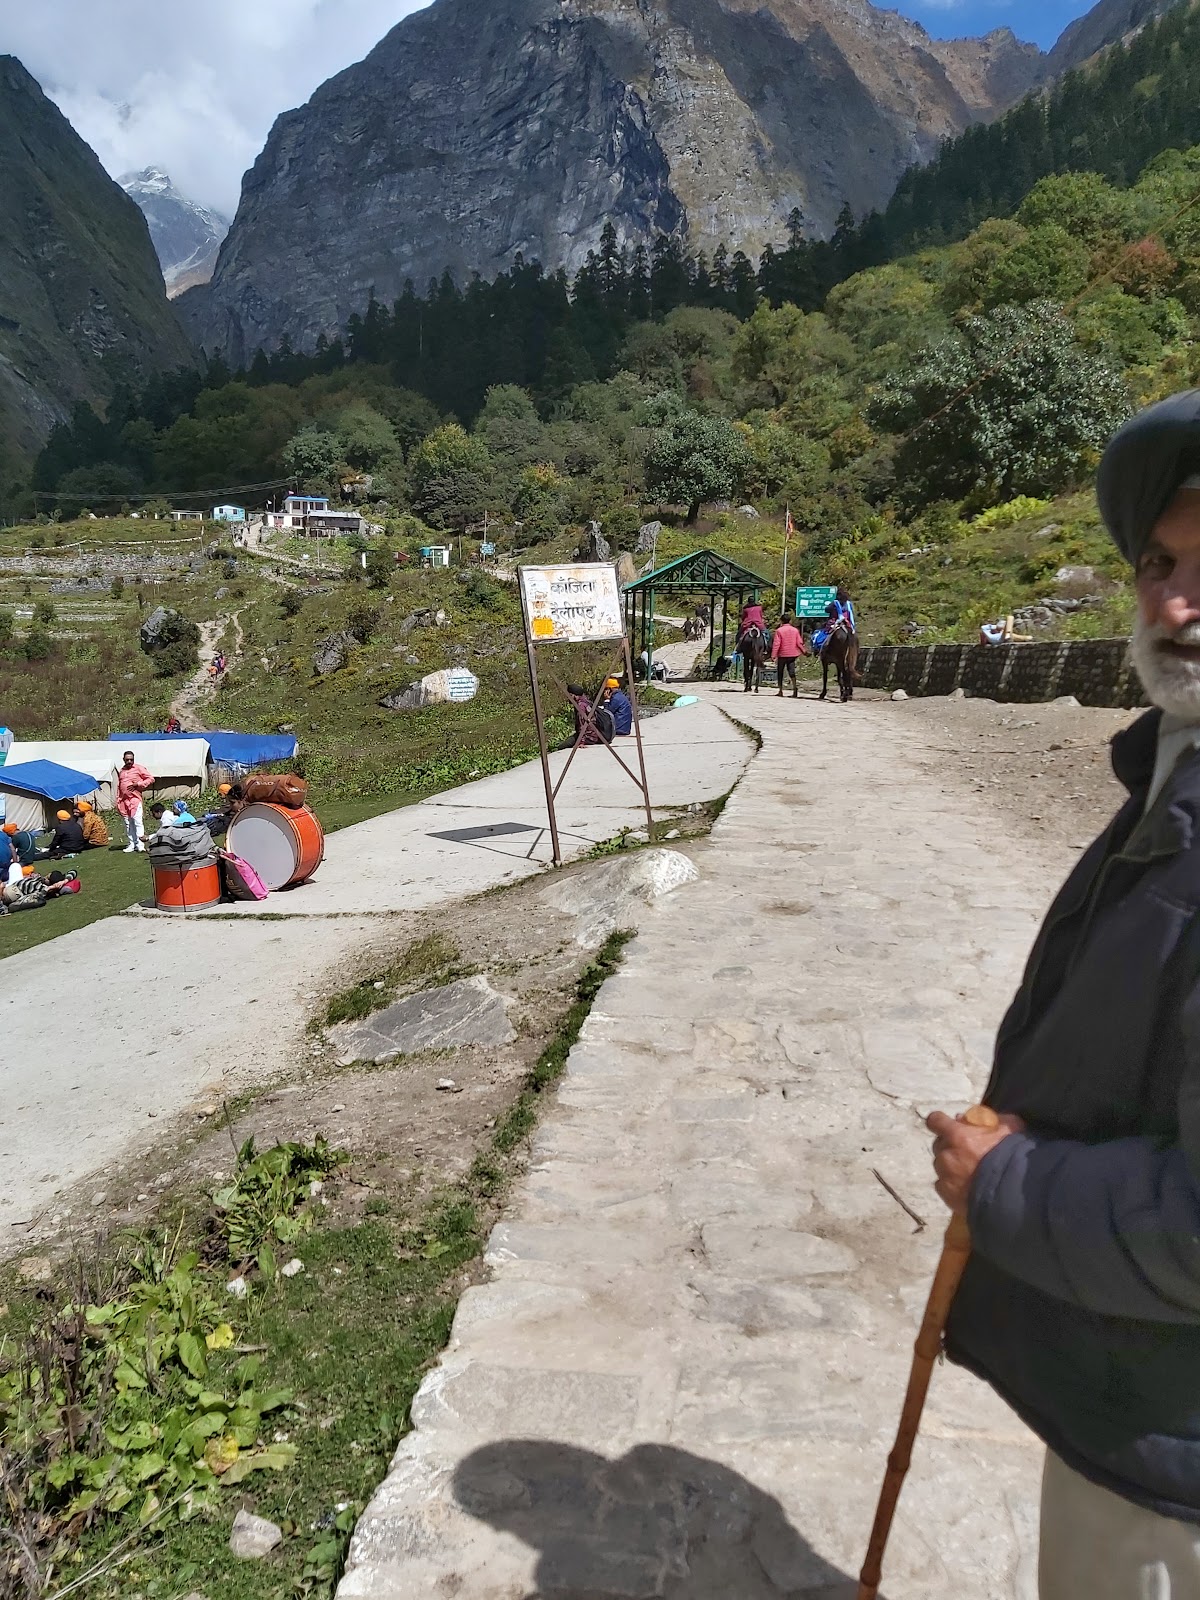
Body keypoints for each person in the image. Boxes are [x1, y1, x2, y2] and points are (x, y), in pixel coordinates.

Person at [927, 388, 1200, 1599]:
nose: (1177, 604)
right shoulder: (1170, 773)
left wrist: (1006, 1185)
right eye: (1161, 559)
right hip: (1134, 1398)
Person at [115, 750, 154, 853]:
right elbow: (119, 785)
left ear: (133, 759)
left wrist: (138, 784)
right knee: (128, 823)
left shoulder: (139, 768)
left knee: (137, 822)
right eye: (127, 759)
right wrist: (118, 799)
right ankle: (132, 844)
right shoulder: (122, 771)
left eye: (131, 759)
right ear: (123, 759)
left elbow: (150, 779)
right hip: (123, 800)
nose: (129, 761)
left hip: (135, 799)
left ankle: (140, 844)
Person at [770, 614, 807, 697]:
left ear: (781, 621)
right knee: (791, 671)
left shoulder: (779, 631)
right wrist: (804, 652)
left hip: (782, 654)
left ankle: (780, 690)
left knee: (780, 672)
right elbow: (799, 643)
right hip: (792, 654)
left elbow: (777, 644)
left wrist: (773, 655)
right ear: (790, 621)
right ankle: (795, 689)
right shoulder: (795, 630)